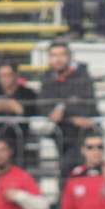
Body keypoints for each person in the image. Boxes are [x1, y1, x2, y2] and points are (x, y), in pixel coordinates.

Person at [39, 42, 99, 176]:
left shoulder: (83, 76)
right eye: (53, 55)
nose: (58, 59)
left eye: (62, 55)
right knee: (66, 171)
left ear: (70, 57)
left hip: (83, 135)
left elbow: (87, 107)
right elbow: (43, 106)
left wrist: (62, 111)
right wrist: (67, 115)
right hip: (60, 135)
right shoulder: (46, 78)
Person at [60, 132, 105, 209]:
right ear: (83, 150)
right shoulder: (75, 176)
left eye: (100, 147)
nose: (96, 151)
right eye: (90, 147)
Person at [0, 139, 47, 209]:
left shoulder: (21, 175)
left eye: (2, 150)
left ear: (10, 152)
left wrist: (20, 196)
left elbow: (43, 207)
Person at [0, 63, 37, 153]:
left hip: (17, 134)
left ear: (16, 75)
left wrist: (14, 107)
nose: (5, 78)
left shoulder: (27, 93)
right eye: (2, 76)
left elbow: (30, 112)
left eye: (8, 75)